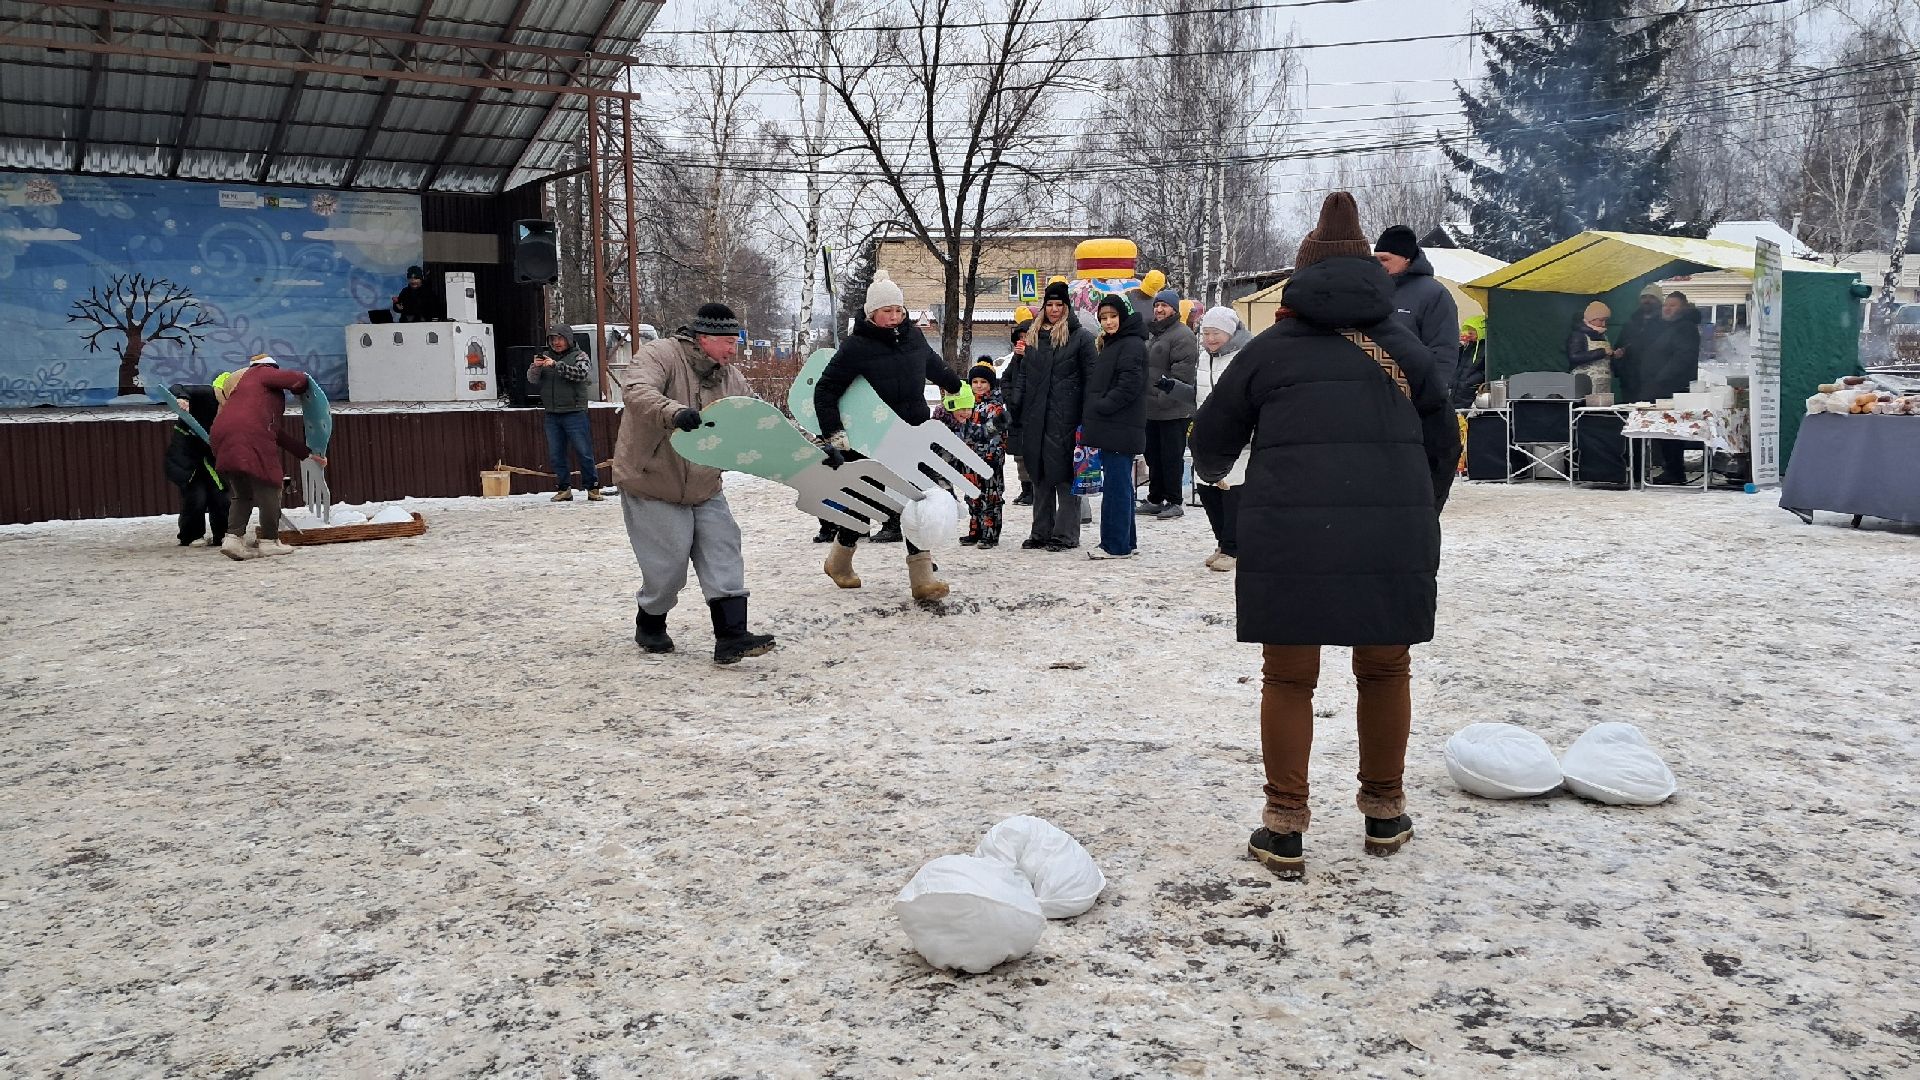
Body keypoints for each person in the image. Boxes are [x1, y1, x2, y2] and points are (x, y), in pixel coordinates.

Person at [1191, 191, 1453, 879]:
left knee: (1287, 676)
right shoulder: (1406, 349)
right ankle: (1385, 811)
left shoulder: (1269, 351)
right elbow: (1443, 441)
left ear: (1299, 282)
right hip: (1389, 536)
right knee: (1385, 668)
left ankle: (1283, 825)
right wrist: (1420, 511)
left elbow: (1210, 438)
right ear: (1372, 274)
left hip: (1288, 534)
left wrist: (1221, 475)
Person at [613, 303, 776, 664]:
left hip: (704, 483)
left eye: (736, 342)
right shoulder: (661, 355)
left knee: (724, 547)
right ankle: (651, 621)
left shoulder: (730, 378)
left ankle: (732, 637)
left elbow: (762, 419)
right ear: (704, 339)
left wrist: (816, 448)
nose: (735, 350)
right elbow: (637, 392)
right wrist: (674, 413)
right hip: (653, 480)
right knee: (667, 566)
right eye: (729, 342)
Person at [814, 271, 963, 602]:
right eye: (887, 311)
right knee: (866, 504)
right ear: (872, 314)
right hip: (871, 440)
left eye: (898, 310)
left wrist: (959, 387)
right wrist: (836, 439)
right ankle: (839, 562)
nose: (894, 317)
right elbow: (825, 391)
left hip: (912, 435)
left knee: (917, 501)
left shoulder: (914, 338)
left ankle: (922, 579)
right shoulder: (857, 346)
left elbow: (935, 368)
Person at [1375, 225, 1462, 510]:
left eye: (1385, 259)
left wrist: (1432, 397)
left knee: (1417, 471)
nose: (1380, 265)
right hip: (1374, 400)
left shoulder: (1433, 294)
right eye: (1376, 259)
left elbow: (1443, 352)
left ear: (1407, 258)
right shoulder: (1373, 292)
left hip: (1416, 400)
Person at [208, 354, 327, 561]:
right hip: (249, 435)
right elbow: (297, 379)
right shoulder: (261, 373)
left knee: (242, 492)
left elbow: (275, 432)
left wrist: (306, 454)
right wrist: (303, 386)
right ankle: (269, 541)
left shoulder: (244, 391)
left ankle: (233, 540)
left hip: (222, 433)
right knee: (271, 486)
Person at [1008, 282, 1093, 552]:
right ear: (1044, 307)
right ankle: (1041, 532)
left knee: (1065, 476)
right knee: (1040, 475)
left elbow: (1092, 378)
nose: (1054, 310)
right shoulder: (1032, 337)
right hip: (1036, 417)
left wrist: (1088, 415)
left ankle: (1065, 534)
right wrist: (1016, 406)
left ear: (1067, 307)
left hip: (1067, 417)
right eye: (1050, 305)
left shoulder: (1081, 337)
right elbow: (1022, 375)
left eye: (1059, 305)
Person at [1084, 291, 1149, 560]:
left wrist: (1103, 405)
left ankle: (1116, 545)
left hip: (1119, 424)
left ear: (1123, 316)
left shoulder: (1130, 344)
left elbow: (1129, 385)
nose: (1108, 322)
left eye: (1113, 316)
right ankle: (1125, 541)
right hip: (1116, 425)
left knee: (1117, 487)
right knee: (1119, 485)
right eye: (1104, 318)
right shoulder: (1117, 342)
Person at [1189, 307, 1251, 571]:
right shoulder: (1205, 358)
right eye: (1206, 333)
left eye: (1216, 333)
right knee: (1205, 487)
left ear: (1229, 333)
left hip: (1238, 435)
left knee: (1232, 490)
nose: (1210, 339)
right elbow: (1201, 394)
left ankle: (1233, 548)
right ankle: (1222, 541)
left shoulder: (1246, 356)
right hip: (1209, 435)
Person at [1138, 288, 1198, 519]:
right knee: (1153, 455)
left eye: (1164, 306)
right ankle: (1155, 497)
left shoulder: (1182, 335)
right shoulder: (1155, 335)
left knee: (1171, 457)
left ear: (1174, 309)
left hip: (1173, 409)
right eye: (1157, 305)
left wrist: (1163, 399)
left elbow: (1182, 374)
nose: (1159, 309)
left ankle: (1174, 500)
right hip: (1151, 408)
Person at [938, 364, 1010, 548]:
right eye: (975, 382)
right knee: (973, 496)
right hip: (968, 459)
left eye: (983, 382)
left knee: (991, 497)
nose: (978, 386)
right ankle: (975, 530)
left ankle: (990, 534)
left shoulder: (996, 408)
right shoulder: (966, 404)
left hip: (989, 461)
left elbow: (996, 434)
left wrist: (993, 455)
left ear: (991, 384)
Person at [528, 330, 602, 502]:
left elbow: (581, 374)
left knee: (584, 452)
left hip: (575, 412)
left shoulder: (580, 355)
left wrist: (556, 365)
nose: (556, 342)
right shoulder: (546, 357)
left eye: (560, 339)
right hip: (552, 414)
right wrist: (536, 367)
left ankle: (592, 487)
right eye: (553, 339)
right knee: (556, 454)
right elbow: (532, 380)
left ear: (568, 340)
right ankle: (564, 488)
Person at [1640, 292, 1704, 485]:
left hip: (1672, 388)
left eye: (1672, 305)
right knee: (1665, 431)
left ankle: (1675, 471)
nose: (1667, 308)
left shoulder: (1685, 328)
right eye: (1665, 305)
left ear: (1683, 308)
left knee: (1671, 430)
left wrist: (1660, 379)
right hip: (1660, 385)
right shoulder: (1667, 327)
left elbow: (1681, 359)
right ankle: (1672, 470)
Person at [164, 381, 228, 547]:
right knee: (196, 498)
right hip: (188, 459)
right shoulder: (206, 393)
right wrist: (182, 398)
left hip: (213, 459)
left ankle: (221, 535)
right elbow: (177, 387)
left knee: (221, 498)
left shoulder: (234, 407)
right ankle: (191, 535)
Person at [1003, 319, 1036, 506]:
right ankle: (1025, 489)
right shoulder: (1015, 360)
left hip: (1030, 413)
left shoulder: (1036, 359)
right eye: (1020, 338)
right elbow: (1006, 379)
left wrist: (1029, 356)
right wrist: (1010, 397)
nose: (1022, 341)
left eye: (1026, 338)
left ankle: (1032, 490)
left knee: (1029, 453)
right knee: (1019, 456)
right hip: (1016, 413)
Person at [1566, 301, 1614, 390]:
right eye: (1601, 320)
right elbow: (1574, 356)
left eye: (1605, 320)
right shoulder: (1578, 335)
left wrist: (1614, 355)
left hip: (1603, 384)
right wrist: (1602, 352)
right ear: (1591, 319)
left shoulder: (1603, 336)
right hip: (1584, 383)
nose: (1603, 324)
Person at [1451, 316, 1487, 409]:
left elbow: (1486, 369)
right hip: (1456, 391)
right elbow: (1456, 363)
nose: (1469, 333)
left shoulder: (1486, 348)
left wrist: (1471, 381)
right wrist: (1459, 346)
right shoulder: (1468, 346)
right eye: (1468, 330)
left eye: (1473, 330)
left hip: (1471, 391)